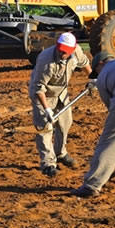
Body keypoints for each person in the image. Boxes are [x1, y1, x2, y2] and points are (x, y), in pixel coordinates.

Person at [72, 52, 115, 198]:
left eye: (95, 71)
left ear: (101, 64)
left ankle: (92, 185)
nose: (96, 75)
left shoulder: (103, 76)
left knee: (110, 142)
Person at [29, 32, 92, 177]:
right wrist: (47, 110)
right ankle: (48, 164)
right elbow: (39, 88)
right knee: (45, 128)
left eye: (65, 51)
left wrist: (93, 78)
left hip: (61, 93)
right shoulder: (46, 61)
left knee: (65, 123)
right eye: (60, 49)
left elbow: (85, 64)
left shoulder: (76, 51)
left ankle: (61, 154)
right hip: (42, 95)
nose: (62, 53)